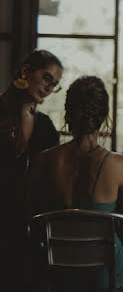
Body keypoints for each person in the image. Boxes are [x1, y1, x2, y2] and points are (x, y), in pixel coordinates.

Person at [28, 76, 123, 291]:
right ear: (103, 116)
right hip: (103, 275)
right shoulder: (119, 165)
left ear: (68, 114)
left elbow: (35, 226)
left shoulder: (41, 161)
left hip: (53, 273)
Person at [0, 49, 63, 289]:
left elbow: (51, 181)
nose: (49, 88)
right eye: (47, 78)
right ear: (26, 71)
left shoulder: (45, 127)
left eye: (55, 85)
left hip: (25, 227)